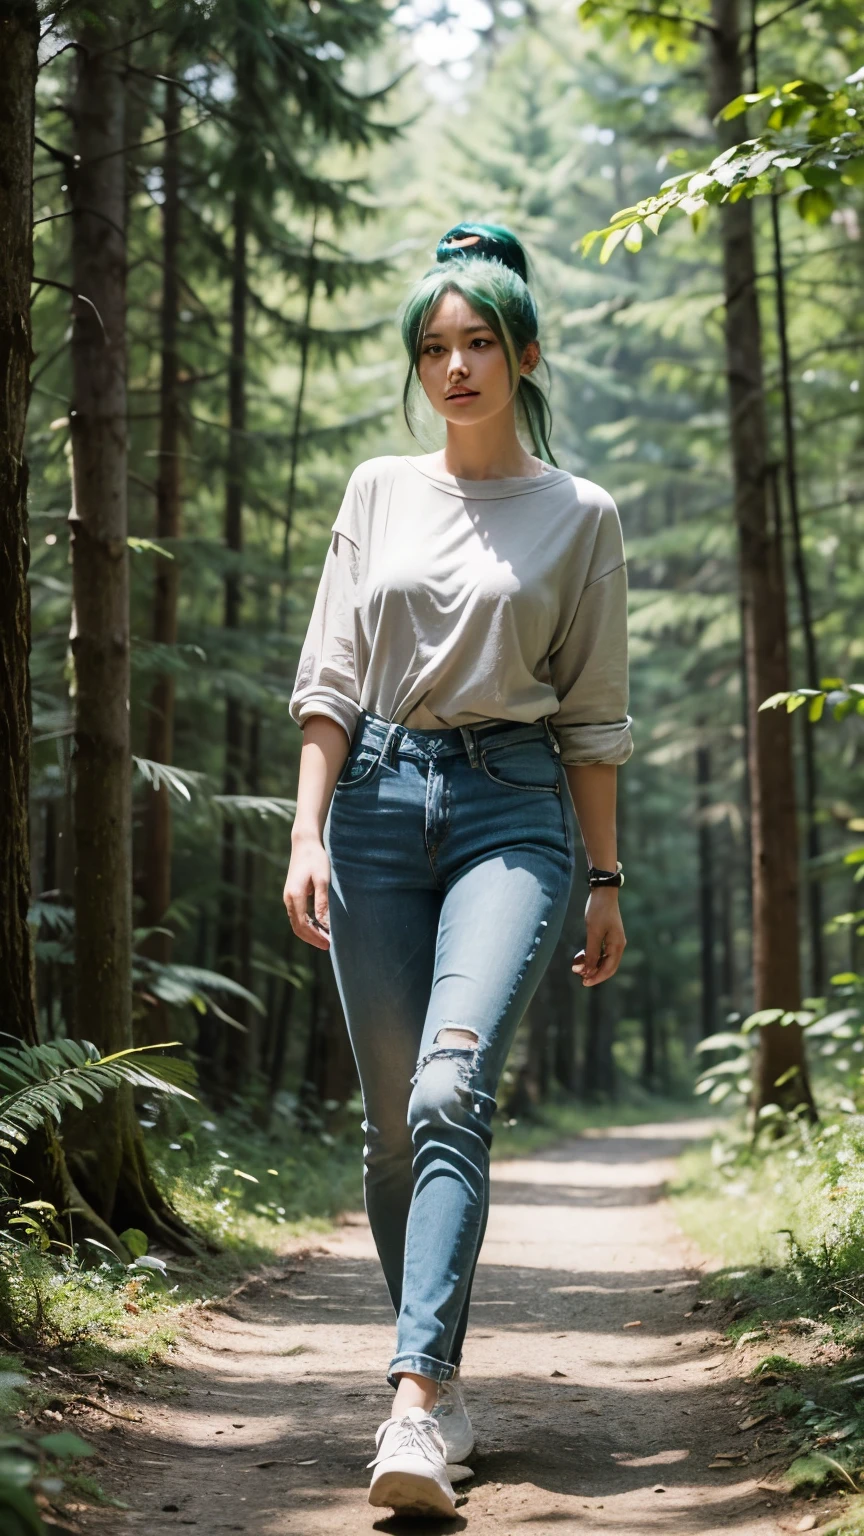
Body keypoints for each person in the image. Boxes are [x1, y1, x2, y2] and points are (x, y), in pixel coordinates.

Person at [283, 221, 631, 1517]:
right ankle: (446, 1376)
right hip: (374, 801)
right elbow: (329, 677)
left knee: (447, 1087)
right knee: (391, 1131)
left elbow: (594, 716)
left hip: (513, 813)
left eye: (479, 342)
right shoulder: (378, 489)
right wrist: (307, 831)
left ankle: (415, 1403)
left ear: (525, 352)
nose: (456, 367)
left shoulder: (579, 515)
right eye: (434, 347)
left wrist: (602, 881)